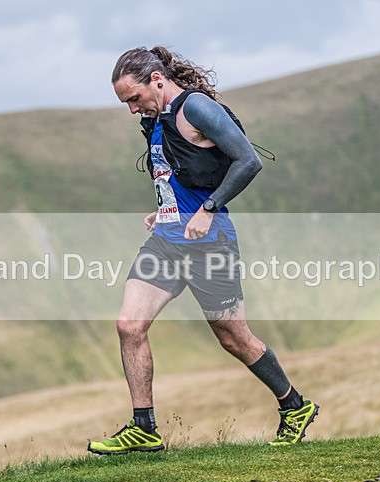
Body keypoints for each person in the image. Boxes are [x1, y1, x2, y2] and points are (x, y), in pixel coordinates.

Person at [87, 46, 317, 454]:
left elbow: (248, 160)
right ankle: (145, 428)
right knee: (129, 325)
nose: (131, 109)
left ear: (156, 80)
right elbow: (182, 176)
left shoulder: (195, 108)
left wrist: (209, 209)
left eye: (134, 98)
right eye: (125, 103)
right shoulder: (156, 120)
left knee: (234, 338)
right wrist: (166, 210)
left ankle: (294, 406)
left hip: (209, 243)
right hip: (167, 241)